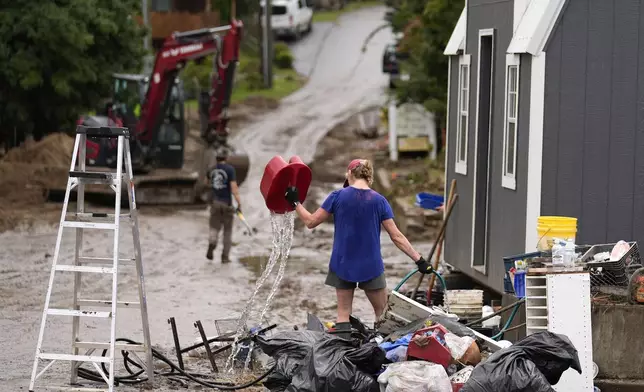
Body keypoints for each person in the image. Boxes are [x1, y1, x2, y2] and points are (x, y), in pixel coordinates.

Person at [284, 158, 432, 336]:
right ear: (369, 178)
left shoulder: (337, 196)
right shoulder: (379, 201)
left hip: (342, 262)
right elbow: (396, 236)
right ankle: (382, 354)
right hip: (371, 264)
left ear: (349, 174)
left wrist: (295, 202)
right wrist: (419, 260)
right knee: (382, 315)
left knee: (343, 315)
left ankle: (342, 356)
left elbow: (310, 222)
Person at [205, 147, 242, 263]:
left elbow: (207, 185)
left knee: (214, 228)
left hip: (215, 204)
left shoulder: (211, 170)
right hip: (227, 204)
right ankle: (225, 257)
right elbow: (234, 188)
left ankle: (212, 243)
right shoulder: (230, 170)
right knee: (227, 231)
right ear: (226, 157)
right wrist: (239, 203)